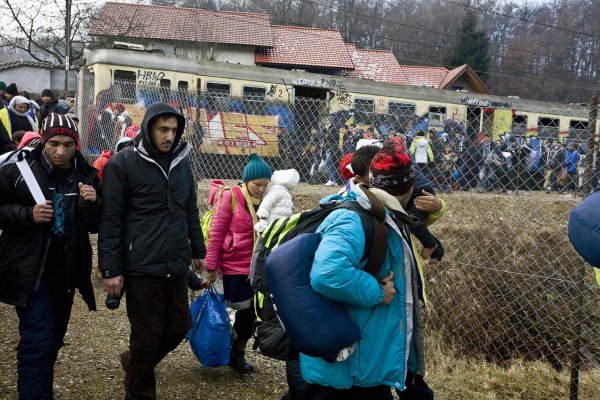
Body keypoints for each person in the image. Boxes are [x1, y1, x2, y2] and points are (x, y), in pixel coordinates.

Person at [285, 144, 423, 399]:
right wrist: (377, 291)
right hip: (348, 364)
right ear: (408, 187)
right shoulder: (355, 218)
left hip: (358, 357)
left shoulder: (383, 213)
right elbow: (327, 273)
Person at [99, 102, 205, 400]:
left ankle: (135, 363)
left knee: (179, 327)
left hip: (175, 262)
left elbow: (189, 209)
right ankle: (139, 391)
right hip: (141, 264)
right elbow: (111, 219)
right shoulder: (124, 164)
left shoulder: (183, 162)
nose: (169, 136)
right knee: (147, 337)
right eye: (163, 129)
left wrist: (198, 250)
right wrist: (111, 269)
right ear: (148, 128)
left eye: (173, 129)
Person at [0, 113, 101, 400]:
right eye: (54, 143)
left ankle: (31, 377)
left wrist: (91, 203)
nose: (61, 151)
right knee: (40, 341)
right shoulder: (19, 169)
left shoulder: (86, 174)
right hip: (31, 271)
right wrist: (26, 214)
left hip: (66, 271)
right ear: (43, 141)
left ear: (76, 144)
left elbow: (96, 223)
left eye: (68, 144)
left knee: (52, 338)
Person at [204, 153, 272, 374]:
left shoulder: (271, 200)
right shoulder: (230, 197)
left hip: (259, 267)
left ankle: (236, 353)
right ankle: (225, 349)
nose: (261, 189)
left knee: (251, 315)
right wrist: (211, 267)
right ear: (246, 181)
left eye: (265, 184)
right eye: (257, 184)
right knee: (239, 311)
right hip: (235, 267)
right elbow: (216, 233)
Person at [254, 168, 300, 233]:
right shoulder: (286, 192)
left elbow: (267, 204)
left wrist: (262, 219)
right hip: (280, 224)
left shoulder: (275, 190)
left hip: (270, 222)